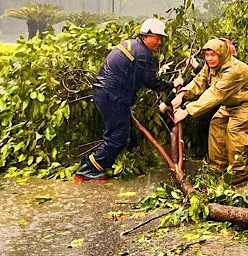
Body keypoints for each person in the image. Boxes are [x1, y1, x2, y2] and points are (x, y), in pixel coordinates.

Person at [75, 18, 183, 181]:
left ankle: (128, 154)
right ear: (147, 35)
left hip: (107, 94)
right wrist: (171, 85)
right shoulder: (142, 53)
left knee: (123, 131)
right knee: (117, 135)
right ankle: (88, 168)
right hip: (112, 96)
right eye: (157, 38)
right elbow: (150, 80)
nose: (159, 42)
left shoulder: (132, 45)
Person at [171, 38, 248, 178]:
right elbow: (200, 81)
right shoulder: (210, 66)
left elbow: (215, 93)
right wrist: (182, 94)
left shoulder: (233, 70)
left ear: (221, 54)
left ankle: (237, 171)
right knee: (216, 124)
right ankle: (217, 167)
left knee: (235, 129)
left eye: (213, 55)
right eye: (207, 55)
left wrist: (187, 111)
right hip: (232, 101)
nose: (209, 59)